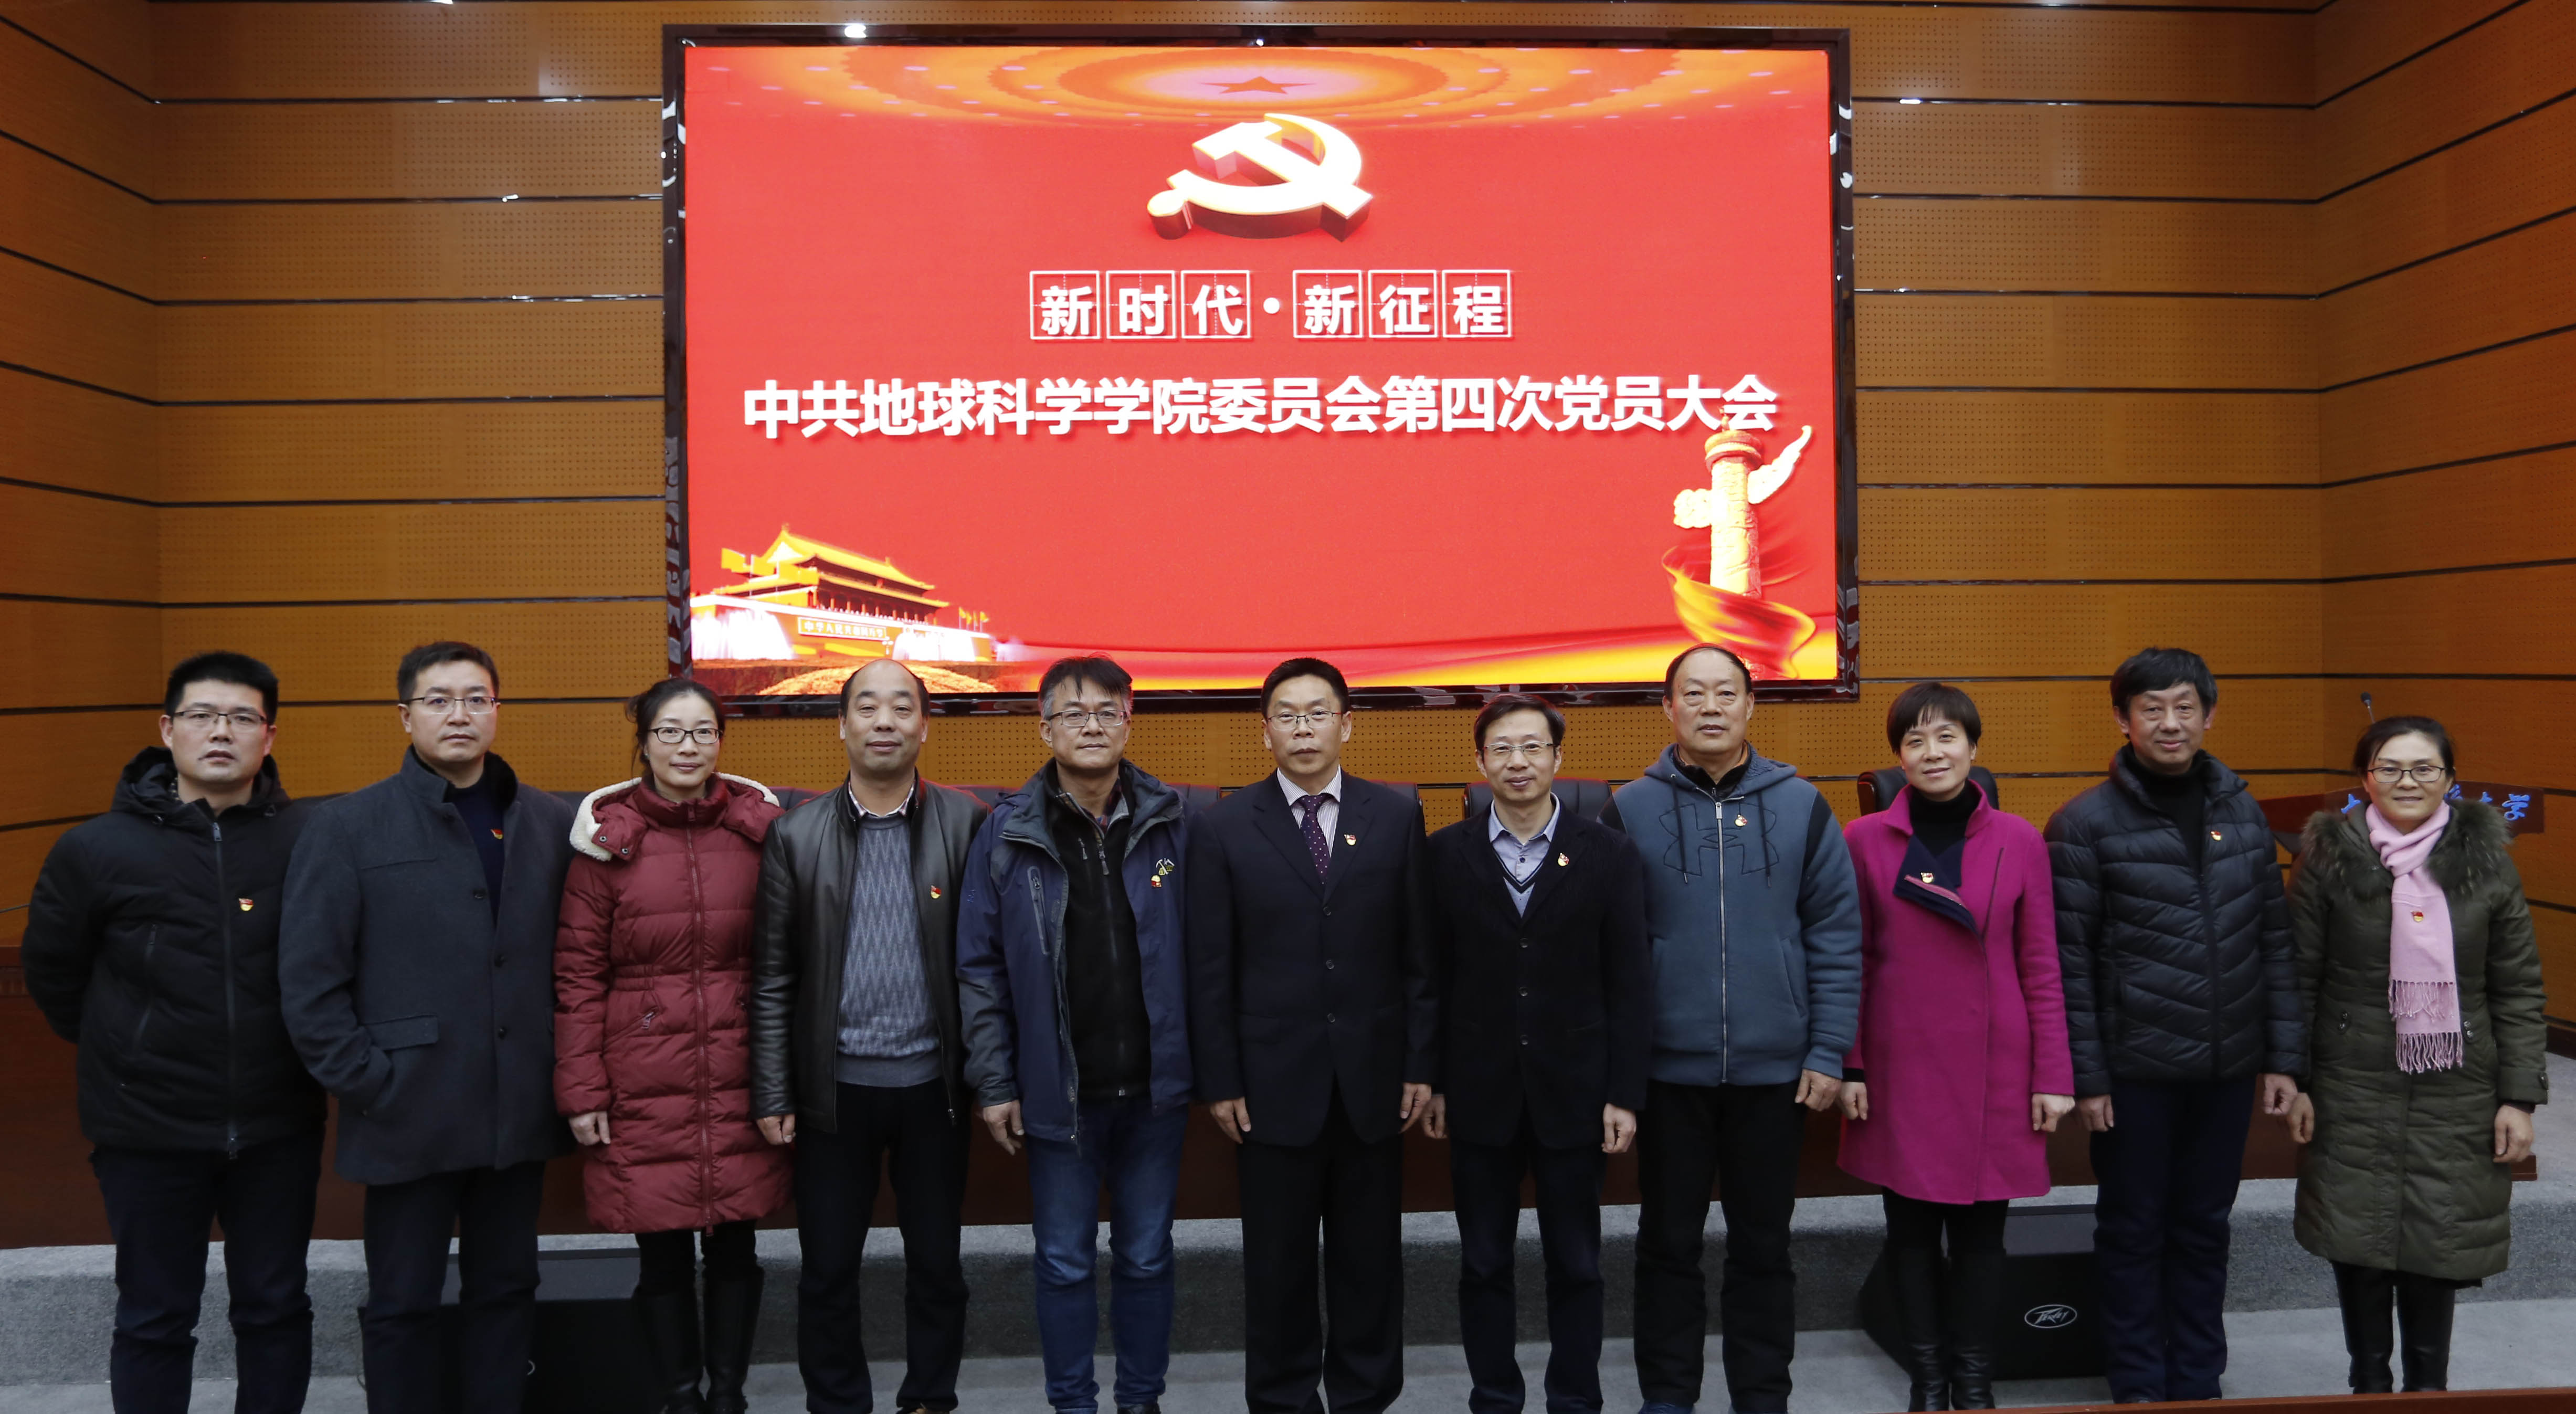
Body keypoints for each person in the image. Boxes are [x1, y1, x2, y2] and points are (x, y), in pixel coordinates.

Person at [279, 640, 577, 1414]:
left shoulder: (548, 820)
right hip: (406, 1104)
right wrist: (371, 1081)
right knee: (403, 1299)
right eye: (438, 700)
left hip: (516, 1106)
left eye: (476, 699)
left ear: (497, 712)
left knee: (506, 1289)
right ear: (405, 716)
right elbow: (310, 982)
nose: (459, 714)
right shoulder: (347, 825)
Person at [23, 652, 324, 1414]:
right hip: (147, 1128)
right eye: (201, 715)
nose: (221, 731)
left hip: (277, 1123)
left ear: (269, 735)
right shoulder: (96, 849)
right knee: (155, 1318)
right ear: (167, 729)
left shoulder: (310, 839)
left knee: (275, 1307)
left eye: (242, 717)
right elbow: (55, 976)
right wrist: (130, 1050)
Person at [1601, 642, 1861, 1414]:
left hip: (1776, 1074)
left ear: (1751, 704)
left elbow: (1835, 935)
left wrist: (1828, 1050)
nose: (1710, 707)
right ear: (1668, 708)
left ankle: (1762, 1396)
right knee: (1667, 1244)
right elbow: (1610, 950)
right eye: (1694, 693)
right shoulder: (1629, 809)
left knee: (1764, 1247)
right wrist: (1621, 1069)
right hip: (1667, 1074)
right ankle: (1668, 1397)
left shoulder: (1804, 805)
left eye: (1726, 693)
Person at [2044, 646, 2303, 1406]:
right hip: (2135, 1070)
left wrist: (2284, 1058)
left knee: (2205, 1226)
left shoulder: (2242, 813)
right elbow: (2068, 963)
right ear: (2121, 719)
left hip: (2227, 1066)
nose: (2169, 723)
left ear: (2208, 715)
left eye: (2184, 707)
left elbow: (2274, 942)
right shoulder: (2083, 823)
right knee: (2133, 1229)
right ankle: (2136, 1382)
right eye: (2151, 708)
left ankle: (2197, 1379)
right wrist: (2087, 1076)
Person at [1186, 657, 1438, 1414]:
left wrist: (1420, 1061)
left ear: (1346, 725)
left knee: (1370, 1263)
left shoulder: (1395, 814)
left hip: (1374, 1080)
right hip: (1269, 1086)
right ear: (1265, 731)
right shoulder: (1224, 825)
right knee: (1278, 1267)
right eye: (1287, 716)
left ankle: (1365, 1398)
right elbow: (1210, 966)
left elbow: (1419, 954)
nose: (1303, 729)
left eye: (1318, 713)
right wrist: (1222, 1079)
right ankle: (1284, 1400)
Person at [748, 657, 989, 1414]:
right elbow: (773, 976)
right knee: (826, 1270)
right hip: (834, 1094)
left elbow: (989, 966)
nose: (884, 721)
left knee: (938, 1266)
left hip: (934, 1091)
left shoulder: (969, 823)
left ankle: (929, 1399)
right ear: (843, 724)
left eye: (901, 707)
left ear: (924, 726)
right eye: (867, 707)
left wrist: (993, 1077)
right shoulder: (795, 835)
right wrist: (774, 1089)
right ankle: (837, 1403)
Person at [956, 656, 1195, 1414]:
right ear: (1045, 728)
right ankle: (1073, 1405)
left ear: (1128, 722)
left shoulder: (1176, 822)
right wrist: (995, 1080)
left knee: (1147, 1256)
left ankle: (1140, 1400)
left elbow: (1212, 954)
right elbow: (979, 968)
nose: (1090, 726)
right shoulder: (1006, 833)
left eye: (1106, 712)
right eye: (1072, 713)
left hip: (1155, 1092)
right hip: (1057, 1093)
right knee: (1063, 1262)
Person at [2286, 717, 2547, 1395]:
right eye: (2390, 768)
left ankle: (2430, 1391)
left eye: (2425, 768)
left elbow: (2517, 987)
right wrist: (2297, 1078)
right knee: (2359, 1237)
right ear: (2365, 778)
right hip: (2351, 1079)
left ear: (2450, 779)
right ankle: (2369, 1385)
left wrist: (2519, 1097)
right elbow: (2298, 976)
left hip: (2458, 1082)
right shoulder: (2329, 857)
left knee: (2439, 1235)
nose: (2408, 781)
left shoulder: (2487, 862)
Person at [555, 678, 793, 1414]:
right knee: (659, 1249)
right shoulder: (605, 842)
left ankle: (728, 1396)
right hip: (641, 1080)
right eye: (669, 732)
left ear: (720, 741)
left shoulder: (762, 833)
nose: (687, 747)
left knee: (736, 1247)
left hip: (740, 1069)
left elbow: (790, 961)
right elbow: (577, 976)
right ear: (644, 743)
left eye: (702, 732)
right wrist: (583, 1091)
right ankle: (680, 1398)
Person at [1835, 683, 2074, 1411]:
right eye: (1915, 740)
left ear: (1974, 747)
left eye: (1947, 737)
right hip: (1900, 1063)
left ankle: (1973, 1383)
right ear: (1898, 757)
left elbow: (2041, 964)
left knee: (1981, 1237)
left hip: (1997, 1064)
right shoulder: (1863, 839)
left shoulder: (2020, 839)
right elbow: (1849, 960)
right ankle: (1926, 1381)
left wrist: (2053, 1074)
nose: (1932, 752)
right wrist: (1850, 1063)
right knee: (1909, 1234)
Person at [1423, 694, 1651, 1414]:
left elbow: (1630, 980)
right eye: (1501, 748)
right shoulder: (1444, 855)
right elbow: (1430, 978)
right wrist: (1433, 1080)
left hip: (1576, 1091)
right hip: (1477, 1091)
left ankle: (1575, 1399)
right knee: (1484, 1262)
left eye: (1532, 747)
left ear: (1558, 757)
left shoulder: (1607, 852)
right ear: (1480, 761)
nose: (1517, 762)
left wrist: (1624, 1092)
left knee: (1577, 1263)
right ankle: (1494, 1397)